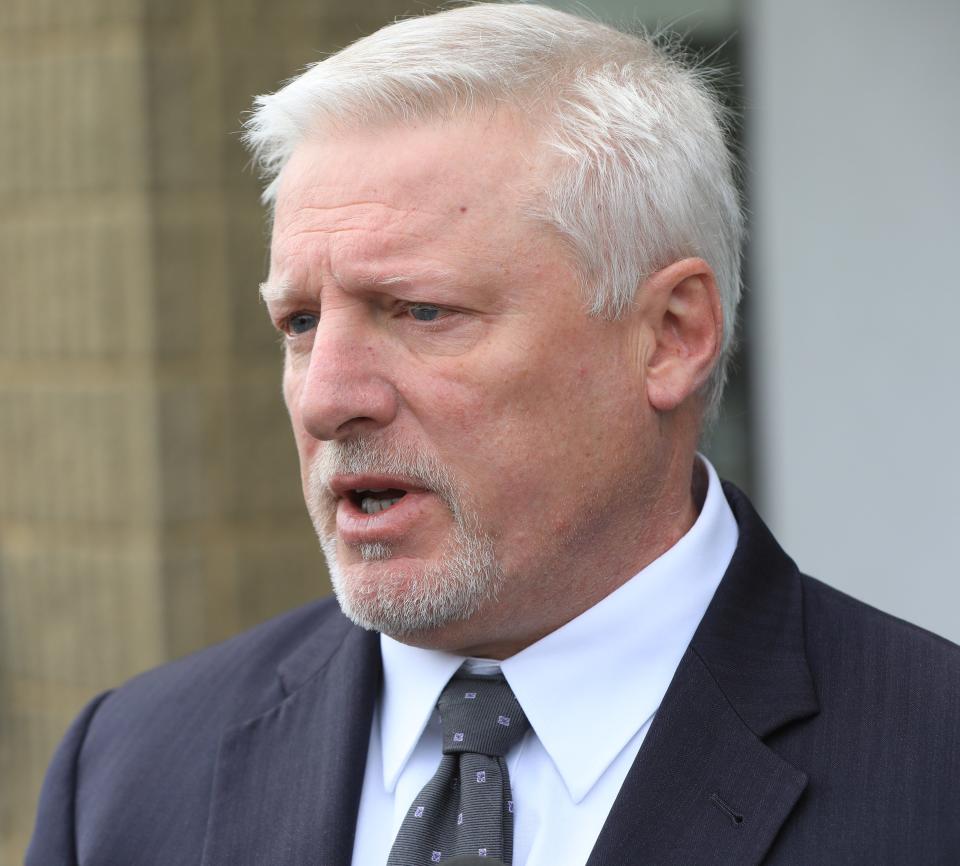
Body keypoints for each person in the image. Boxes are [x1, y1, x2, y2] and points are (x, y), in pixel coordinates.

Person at [27, 4, 960, 865]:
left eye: (422, 312)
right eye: (301, 323)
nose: (325, 398)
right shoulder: (126, 772)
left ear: (670, 335)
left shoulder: (929, 771)